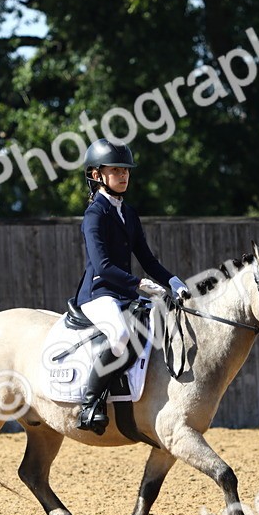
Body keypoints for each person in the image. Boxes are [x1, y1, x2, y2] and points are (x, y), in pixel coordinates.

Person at [71, 138, 189, 434]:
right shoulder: (94, 214)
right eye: (116, 170)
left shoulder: (128, 213)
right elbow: (102, 267)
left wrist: (173, 281)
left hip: (125, 292)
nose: (123, 175)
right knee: (122, 333)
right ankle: (90, 404)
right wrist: (139, 284)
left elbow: (147, 258)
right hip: (98, 293)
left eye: (126, 170)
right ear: (97, 175)